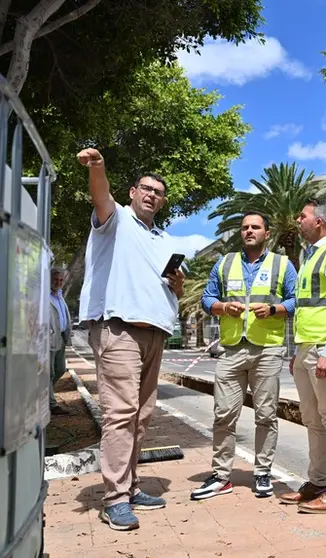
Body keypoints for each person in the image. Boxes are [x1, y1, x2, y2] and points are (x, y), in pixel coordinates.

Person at [76, 147, 185, 531]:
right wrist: (98, 166)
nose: (152, 194)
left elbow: (172, 288)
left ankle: (132, 485)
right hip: (119, 329)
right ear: (133, 192)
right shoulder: (116, 219)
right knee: (120, 415)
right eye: (146, 188)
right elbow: (100, 195)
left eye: (158, 191)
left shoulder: (165, 239)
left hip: (155, 333)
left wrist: (178, 283)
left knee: (141, 417)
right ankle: (115, 499)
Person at [191, 211, 297, 500]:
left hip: (267, 349)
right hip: (231, 348)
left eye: (255, 227)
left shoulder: (282, 265)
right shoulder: (224, 263)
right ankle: (221, 476)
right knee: (223, 414)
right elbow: (207, 299)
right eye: (245, 227)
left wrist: (274, 310)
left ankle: (262, 473)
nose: (249, 231)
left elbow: (295, 300)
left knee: (266, 415)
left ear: (267, 232)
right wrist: (223, 307)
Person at [278, 198, 326, 514]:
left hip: (325, 349)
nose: (298, 220)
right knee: (313, 420)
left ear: (320, 221)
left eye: (303, 215)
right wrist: (297, 351)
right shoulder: (312, 257)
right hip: (307, 348)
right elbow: (307, 308)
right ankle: (318, 482)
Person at [48, 265, 72, 416]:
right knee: (48, 372)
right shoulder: (45, 296)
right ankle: (51, 404)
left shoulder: (60, 295)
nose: (58, 282)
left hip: (61, 338)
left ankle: (44, 393)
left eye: (61, 280)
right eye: (55, 279)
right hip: (49, 338)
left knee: (60, 369)